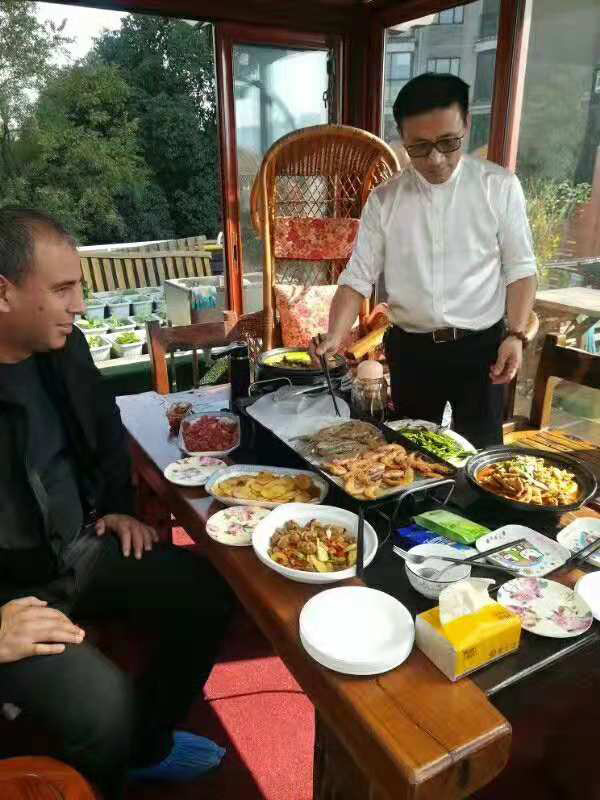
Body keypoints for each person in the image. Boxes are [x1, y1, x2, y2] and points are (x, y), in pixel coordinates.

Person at [0, 207, 233, 799]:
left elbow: (104, 431)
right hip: (10, 596)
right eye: (62, 290)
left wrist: (118, 505)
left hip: (80, 545)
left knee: (208, 593)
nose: (81, 305)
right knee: (104, 708)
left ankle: (145, 748)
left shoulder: (63, 349)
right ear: (3, 293)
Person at [316, 73, 538, 447]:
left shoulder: (498, 187)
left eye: (448, 142)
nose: (435, 159)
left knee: (480, 456)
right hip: (412, 351)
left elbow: (521, 269)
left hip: (480, 349)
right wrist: (335, 335)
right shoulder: (385, 200)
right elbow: (357, 278)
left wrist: (515, 334)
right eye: (419, 147)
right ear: (402, 138)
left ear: (466, 125)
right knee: (410, 456)